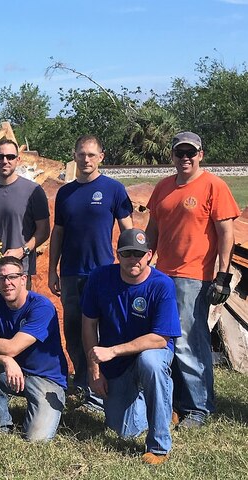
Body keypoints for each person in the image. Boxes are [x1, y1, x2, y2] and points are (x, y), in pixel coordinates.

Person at [146, 131, 240, 428]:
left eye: (191, 152)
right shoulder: (163, 187)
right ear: (171, 156)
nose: (185, 158)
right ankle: (174, 401)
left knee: (189, 341)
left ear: (201, 154)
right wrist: (144, 262)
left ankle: (198, 407)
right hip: (161, 274)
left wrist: (222, 276)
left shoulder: (214, 186)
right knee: (164, 338)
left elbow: (227, 234)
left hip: (194, 276)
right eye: (179, 153)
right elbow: (152, 230)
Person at [81, 228, 181, 465]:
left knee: (150, 362)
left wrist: (113, 351)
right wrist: (94, 370)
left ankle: (158, 447)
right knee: (123, 430)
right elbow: (88, 324)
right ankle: (164, 409)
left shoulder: (162, 284)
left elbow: (160, 339)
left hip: (149, 352)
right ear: (118, 255)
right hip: (115, 363)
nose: (133, 259)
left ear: (149, 255)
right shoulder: (99, 278)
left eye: (139, 253)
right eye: (127, 254)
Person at [48, 135, 133, 405]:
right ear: (74, 156)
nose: (86, 159)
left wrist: (132, 266)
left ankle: (109, 382)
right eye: (81, 154)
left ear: (101, 157)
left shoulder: (114, 189)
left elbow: (128, 231)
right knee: (73, 330)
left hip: (104, 273)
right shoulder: (65, 193)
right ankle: (83, 382)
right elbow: (57, 233)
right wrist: (52, 270)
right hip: (72, 273)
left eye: (91, 155)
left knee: (106, 330)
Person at [0, 256, 67, 441]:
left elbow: (11, 347)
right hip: (13, 372)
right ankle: (0, 425)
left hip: (47, 379)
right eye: (1, 278)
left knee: (36, 440)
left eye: (12, 277)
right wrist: (5, 360)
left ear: (23, 279)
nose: (7, 283)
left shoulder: (42, 306)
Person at [0, 138, 50, 306]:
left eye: (10, 157)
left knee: (19, 320)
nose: (4, 161)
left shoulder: (33, 191)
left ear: (18, 160)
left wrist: (23, 250)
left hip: (19, 270)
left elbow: (43, 230)